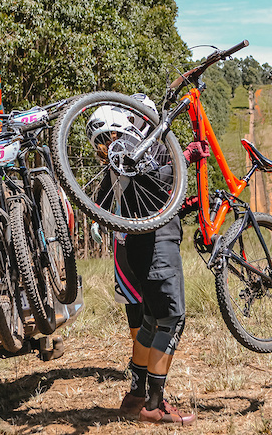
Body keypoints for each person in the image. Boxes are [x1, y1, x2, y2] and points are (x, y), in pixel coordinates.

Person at [88, 93, 208, 425]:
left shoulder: (120, 155)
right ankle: (154, 404)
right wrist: (183, 156)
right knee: (172, 320)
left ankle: (135, 395)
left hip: (138, 246)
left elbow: (106, 200)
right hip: (157, 245)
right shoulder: (145, 149)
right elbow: (160, 183)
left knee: (152, 320)